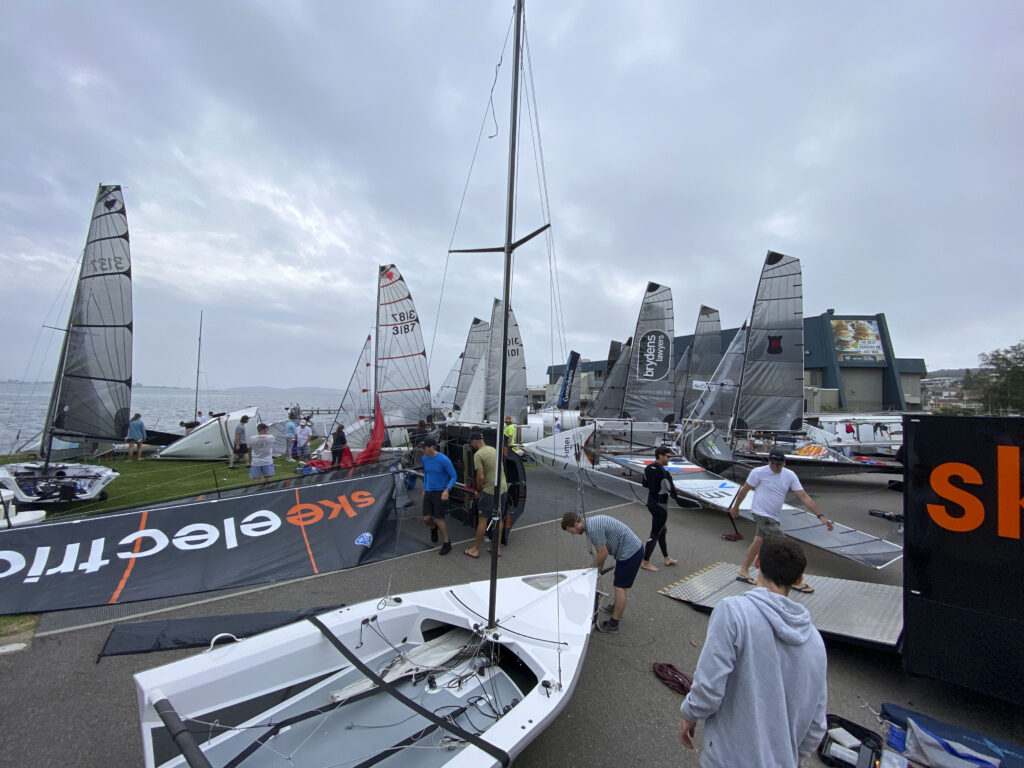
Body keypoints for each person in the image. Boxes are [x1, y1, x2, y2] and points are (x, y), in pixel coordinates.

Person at [678, 535, 828, 767]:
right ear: (799, 579)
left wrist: (690, 713)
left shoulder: (734, 613)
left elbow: (709, 687)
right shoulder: (815, 641)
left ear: (757, 562)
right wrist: (793, 758)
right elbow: (817, 724)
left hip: (729, 759)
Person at [729, 447, 832, 593]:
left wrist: (820, 516)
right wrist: (736, 507)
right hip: (761, 514)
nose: (775, 467)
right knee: (785, 547)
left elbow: (803, 496)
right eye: (772, 464)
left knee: (758, 541)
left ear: (784, 463)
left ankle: (743, 570)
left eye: (778, 464)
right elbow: (744, 490)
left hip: (773, 517)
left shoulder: (789, 475)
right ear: (769, 462)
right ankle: (794, 580)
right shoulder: (758, 472)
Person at [561, 511, 643, 632]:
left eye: (571, 531)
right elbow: (600, 553)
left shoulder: (593, 529)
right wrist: (597, 572)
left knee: (619, 587)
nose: (574, 534)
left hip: (631, 553)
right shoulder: (590, 525)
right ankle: (616, 608)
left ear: (576, 524)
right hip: (627, 551)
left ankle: (614, 624)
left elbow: (603, 554)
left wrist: (589, 567)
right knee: (619, 584)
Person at [464, 431, 508, 559]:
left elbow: (481, 476)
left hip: (490, 491)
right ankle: (497, 548)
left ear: (475, 441)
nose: (471, 445)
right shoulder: (493, 450)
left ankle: (475, 550)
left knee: (483, 519)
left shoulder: (478, 454)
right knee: (499, 519)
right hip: (503, 488)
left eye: (471, 443)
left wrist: (479, 490)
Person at [640, 446, 680, 572]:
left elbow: (644, 483)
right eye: (668, 457)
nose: (669, 459)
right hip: (661, 506)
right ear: (661, 456)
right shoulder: (664, 473)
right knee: (655, 533)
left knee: (662, 530)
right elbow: (673, 493)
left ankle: (666, 558)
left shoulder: (648, 468)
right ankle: (645, 561)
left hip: (651, 503)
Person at [420, 436, 457, 555]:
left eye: (424, 447)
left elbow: (453, 476)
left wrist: (447, 490)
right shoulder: (425, 458)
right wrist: (425, 488)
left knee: (439, 518)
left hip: (440, 491)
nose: (422, 450)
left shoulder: (444, 460)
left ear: (431, 447)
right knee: (426, 518)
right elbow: (426, 474)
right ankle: (433, 528)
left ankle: (447, 543)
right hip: (429, 490)